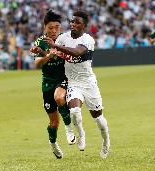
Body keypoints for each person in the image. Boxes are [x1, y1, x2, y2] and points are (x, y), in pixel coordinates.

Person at [44, 10, 110, 158]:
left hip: (89, 83)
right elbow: (53, 53)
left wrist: (56, 46)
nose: (73, 24)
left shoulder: (88, 40)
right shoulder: (63, 38)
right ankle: (81, 134)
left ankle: (106, 143)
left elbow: (76, 52)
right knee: (74, 111)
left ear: (84, 25)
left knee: (99, 119)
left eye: (77, 22)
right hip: (73, 83)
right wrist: (41, 52)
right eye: (72, 21)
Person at [30, 10, 77, 159]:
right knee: (54, 123)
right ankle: (53, 143)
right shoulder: (40, 43)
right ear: (45, 27)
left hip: (64, 79)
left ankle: (69, 128)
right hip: (47, 83)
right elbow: (36, 63)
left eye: (57, 27)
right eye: (51, 27)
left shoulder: (65, 40)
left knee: (59, 97)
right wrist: (48, 56)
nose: (54, 30)